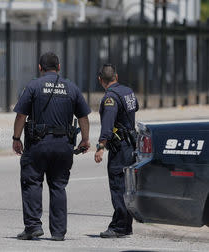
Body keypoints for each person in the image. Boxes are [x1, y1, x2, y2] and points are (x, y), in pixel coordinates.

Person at [12, 52, 91, 241]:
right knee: (58, 186)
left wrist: (16, 138)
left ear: (40, 68)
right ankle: (58, 232)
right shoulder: (72, 88)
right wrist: (85, 139)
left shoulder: (33, 86)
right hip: (64, 145)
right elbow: (83, 117)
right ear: (59, 67)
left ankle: (33, 227)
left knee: (32, 183)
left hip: (38, 144)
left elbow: (21, 115)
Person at [94, 64, 138, 238]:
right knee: (127, 186)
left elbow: (107, 124)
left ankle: (120, 226)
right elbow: (135, 109)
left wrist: (101, 147)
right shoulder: (128, 92)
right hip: (130, 145)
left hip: (119, 148)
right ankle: (126, 224)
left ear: (100, 80)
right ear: (116, 77)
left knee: (118, 185)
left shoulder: (110, 98)